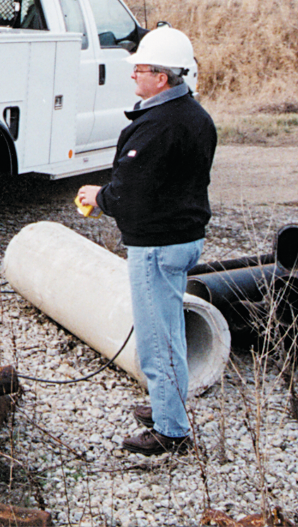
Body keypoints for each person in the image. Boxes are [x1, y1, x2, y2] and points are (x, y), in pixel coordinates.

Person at [76, 25, 215, 456]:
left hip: (156, 245)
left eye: (140, 70)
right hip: (183, 238)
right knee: (168, 329)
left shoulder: (157, 126)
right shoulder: (196, 117)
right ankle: (165, 405)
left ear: (163, 77)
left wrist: (99, 197)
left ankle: (171, 431)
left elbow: (130, 193)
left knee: (158, 338)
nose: (133, 76)